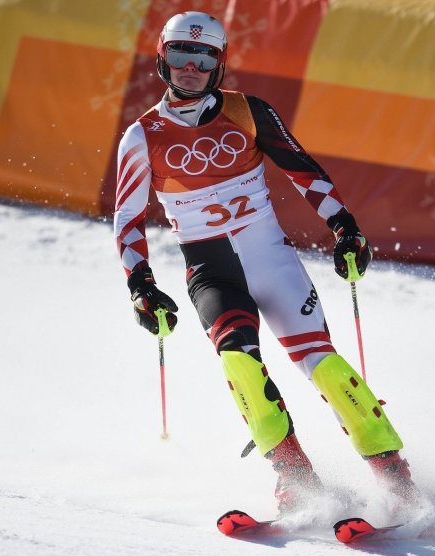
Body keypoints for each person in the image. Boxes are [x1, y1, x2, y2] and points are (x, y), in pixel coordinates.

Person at [114, 11, 416, 514]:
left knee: (324, 367)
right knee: (240, 363)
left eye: (204, 57)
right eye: (180, 55)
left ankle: (396, 477)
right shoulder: (141, 137)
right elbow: (127, 220)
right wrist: (141, 284)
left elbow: (303, 171)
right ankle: (295, 478)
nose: (191, 66)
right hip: (212, 274)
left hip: (271, 261)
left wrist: (344, 227)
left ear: (219, 64)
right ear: (162, 60)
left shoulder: (249, 111)